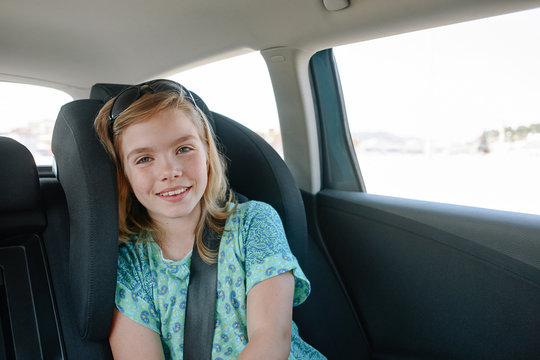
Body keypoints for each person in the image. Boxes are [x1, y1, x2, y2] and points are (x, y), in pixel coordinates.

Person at [93, 79, 326, 359]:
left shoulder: (254, 223)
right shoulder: (131, 266)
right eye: (144, 159)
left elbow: (271, 339)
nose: (169, 171)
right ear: (124, 175)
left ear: (206, 154)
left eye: (183, 149)